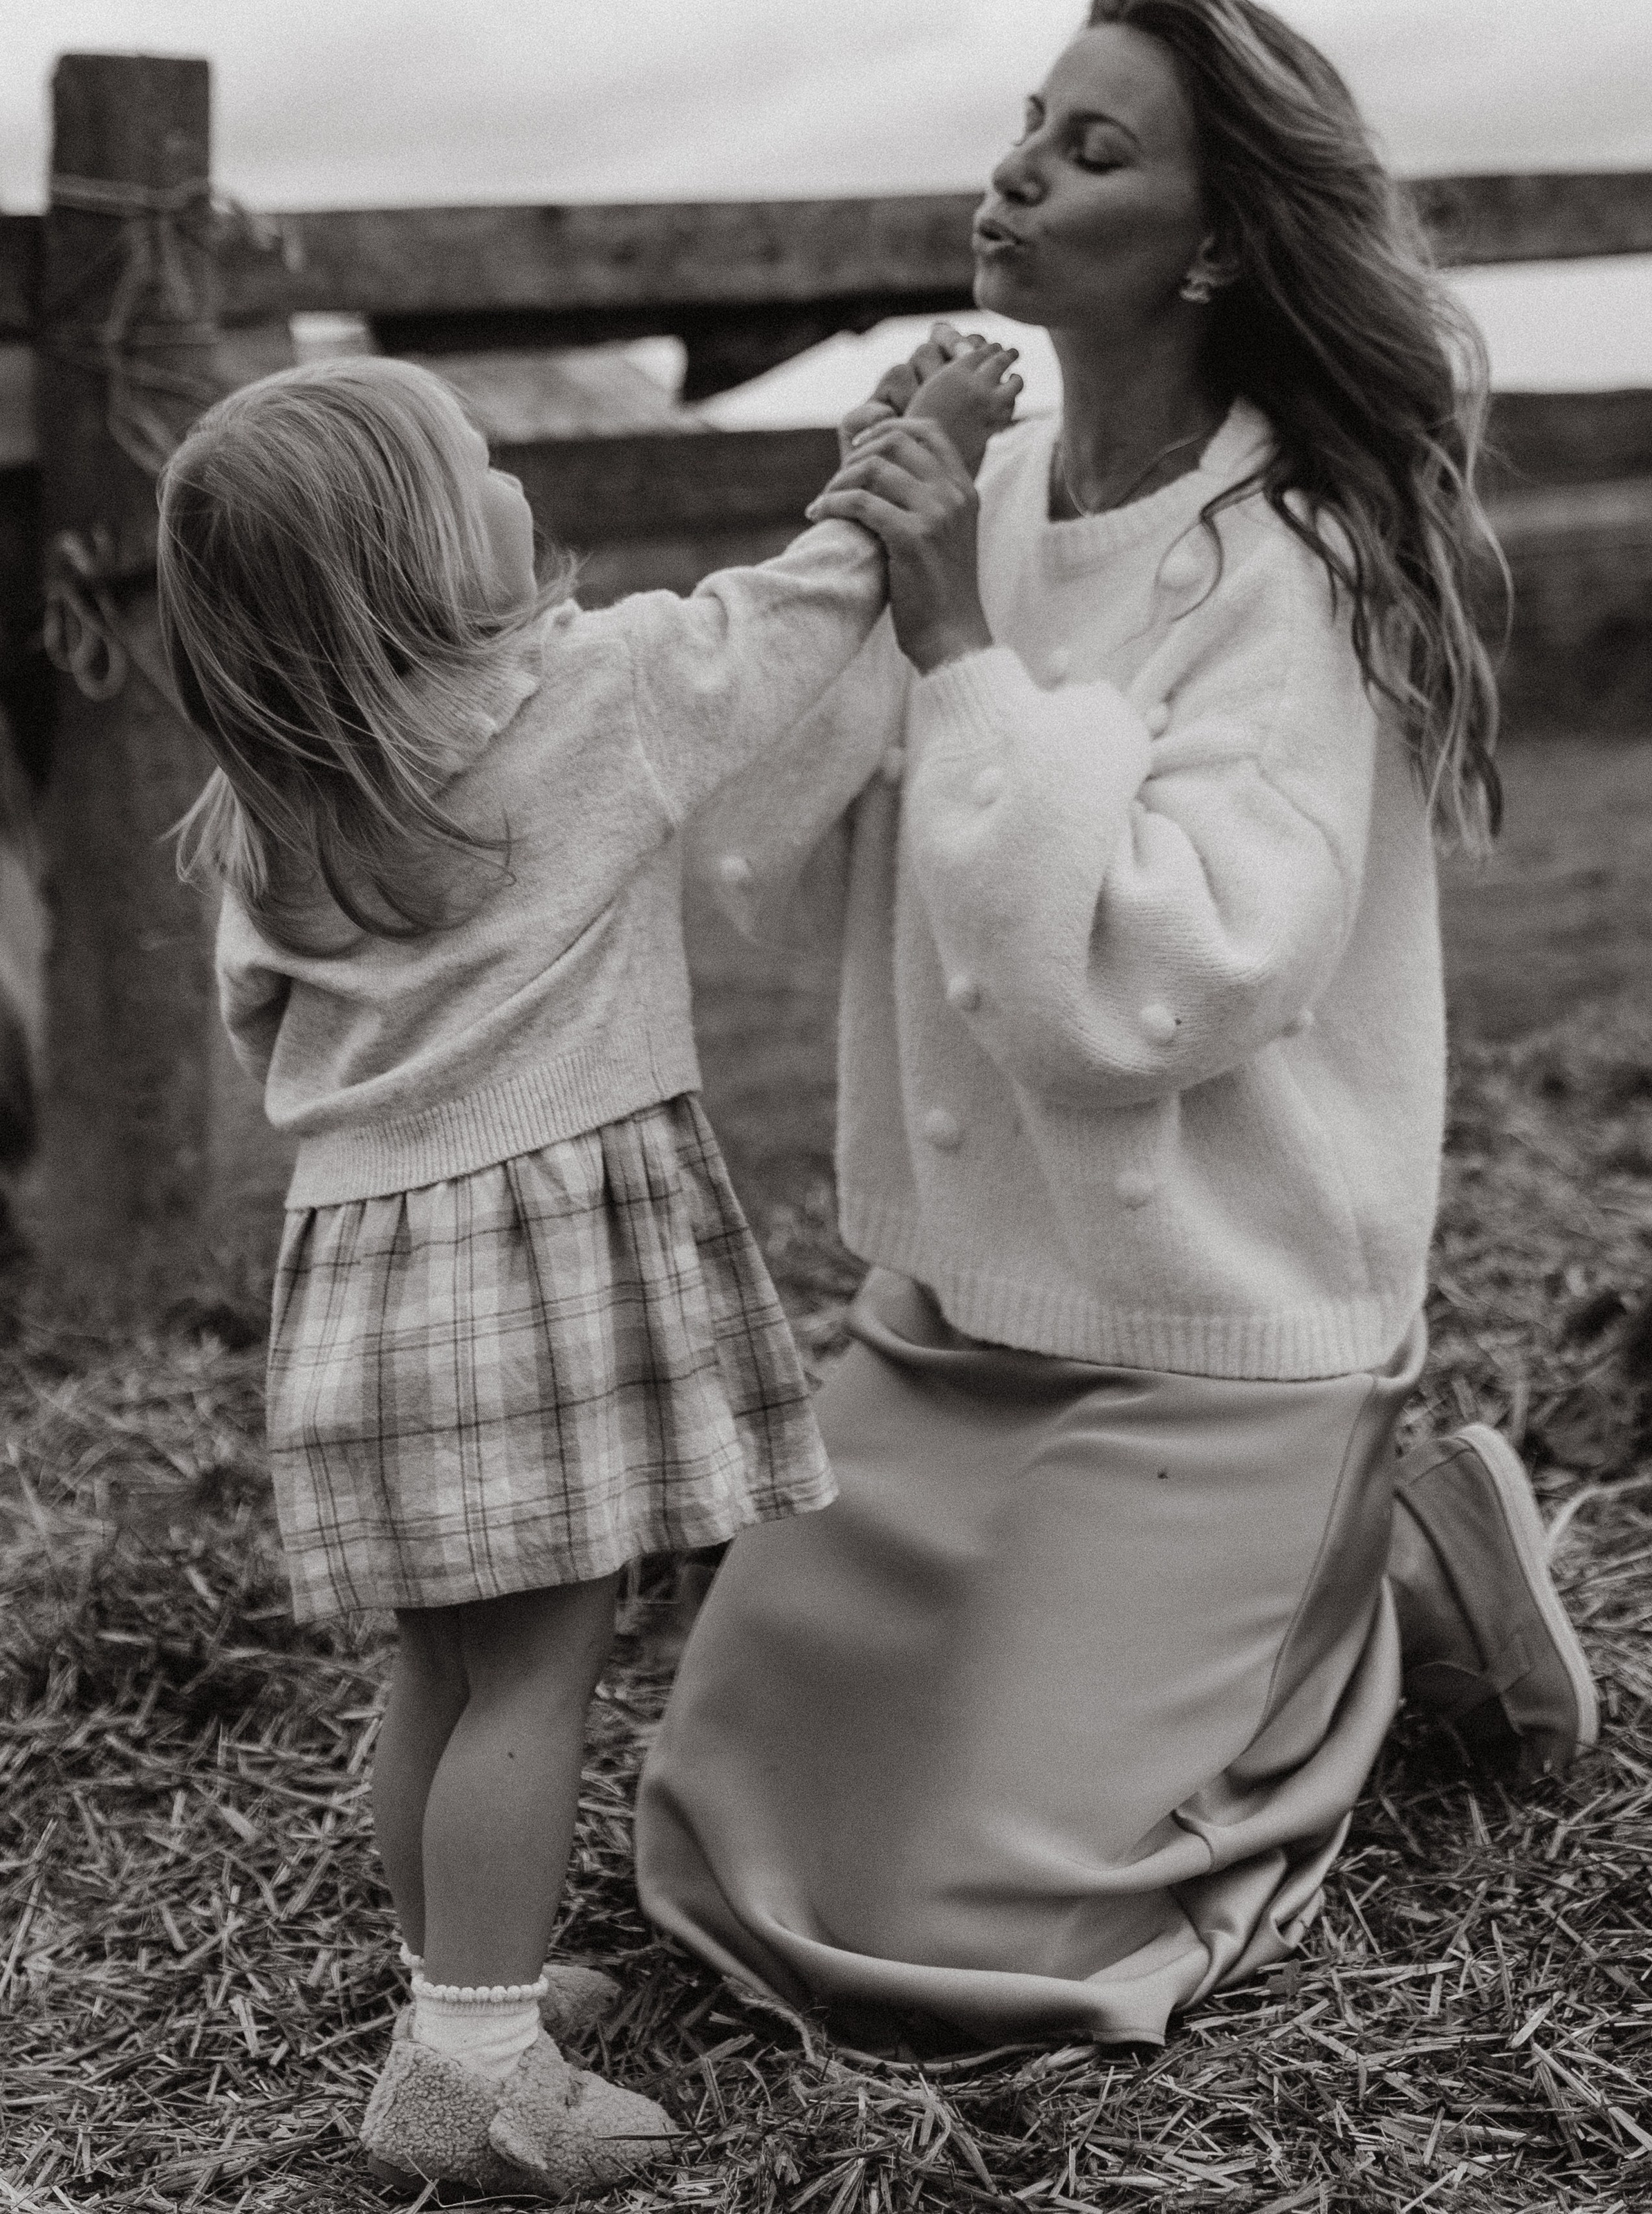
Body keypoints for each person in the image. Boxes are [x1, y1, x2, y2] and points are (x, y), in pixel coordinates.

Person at [635, 0, 1600, 2049]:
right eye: (1027, 123)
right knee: (726, 1838)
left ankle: (1392, 1568)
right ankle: (1322, 1587)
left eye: (1095, 149)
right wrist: (854, 556)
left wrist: (961, 651)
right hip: (962, 1316)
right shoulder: (980, 499)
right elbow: (757, 859)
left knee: (972, 1943)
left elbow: (1154, 988)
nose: (1017, 170)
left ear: (1220, 239)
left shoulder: (1302, 564)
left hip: (1208, 1338)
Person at [154, 344, 1019, 2192]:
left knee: (445, 1669)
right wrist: (911, 457)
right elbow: (798, 618)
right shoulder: (597, 692)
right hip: (534, 1265)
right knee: (547, 1671)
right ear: (405, 557)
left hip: (361, 1282)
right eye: (472, 460)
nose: (508, 468)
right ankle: (477, 2066)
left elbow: (266, 1041)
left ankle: (449, 1990)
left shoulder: (270, 814)